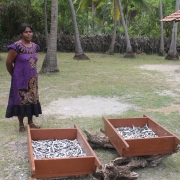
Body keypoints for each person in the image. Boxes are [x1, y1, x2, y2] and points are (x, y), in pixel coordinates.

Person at [5, 23, 42, 132]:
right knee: (20, 99)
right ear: (21, 34)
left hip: (32, 78)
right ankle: (21, 125)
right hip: (19, 79)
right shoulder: (16, 47)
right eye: (26, 32)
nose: (28, 34)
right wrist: (14, 75)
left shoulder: (35, 47)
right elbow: (8, 63)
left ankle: (30, 123)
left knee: (31, 99)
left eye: (30, 31)